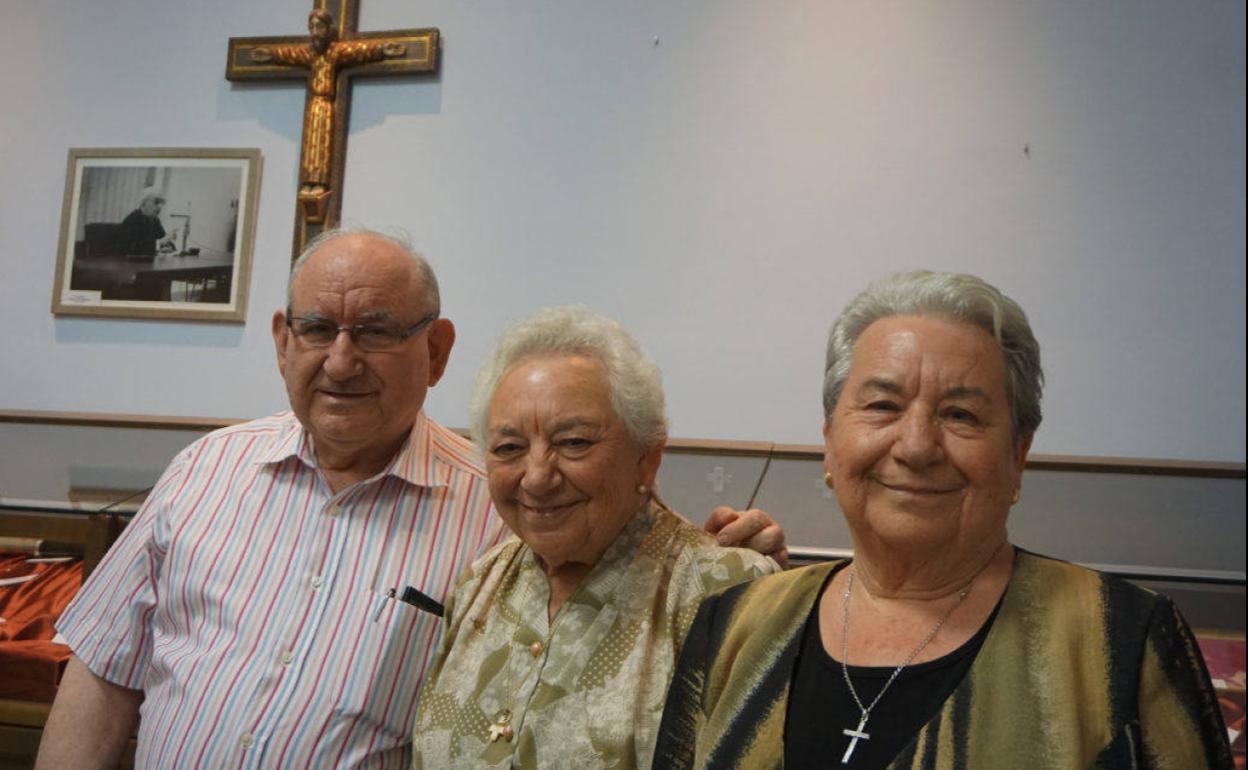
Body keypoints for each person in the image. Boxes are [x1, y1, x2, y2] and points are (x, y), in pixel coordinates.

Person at [35, 228, 785, 770]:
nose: (341, 359)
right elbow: (104, 669)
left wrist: (747, 570)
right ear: (281, 341)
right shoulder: (203, 469)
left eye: (376, 331)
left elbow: (626, 532)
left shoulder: (494, 509)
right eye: (318, 328)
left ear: (435, 351)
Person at [653, 271, 1232, 769]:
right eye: (882, 405)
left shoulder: (1124, 641)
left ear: (1018, 454)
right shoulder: (733, 626)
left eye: (960, 413)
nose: (916, 445)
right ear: (830, 441)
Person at [412, 306, 781, 769]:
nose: (537, 477)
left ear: (647, 456)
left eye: (574, 443)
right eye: (509, 448)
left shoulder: (726, 592)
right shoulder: (479, 585)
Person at [250, 10, 407, 223]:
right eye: (312, 27)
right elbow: (287, 53)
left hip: (326, 105)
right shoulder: (309, 54)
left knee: (322, 146)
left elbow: (359, 51)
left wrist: (381, 50)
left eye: (320, 27)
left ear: (329, 28)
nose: (315, 32)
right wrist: (270, 54)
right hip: (314, 105)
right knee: (311, 146)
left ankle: (320, 183)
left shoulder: (334, 53)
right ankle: (309, 182)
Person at [118, 189, 176, 256]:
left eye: (161, 203)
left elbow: (162, 237)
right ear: (144, 203)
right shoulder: (132, 219)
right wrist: (159, 243)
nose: (160, 206)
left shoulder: (155, 220)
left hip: (147, 261)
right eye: (156, 202)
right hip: (129, 263)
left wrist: (167, 244)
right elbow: (135, 247)